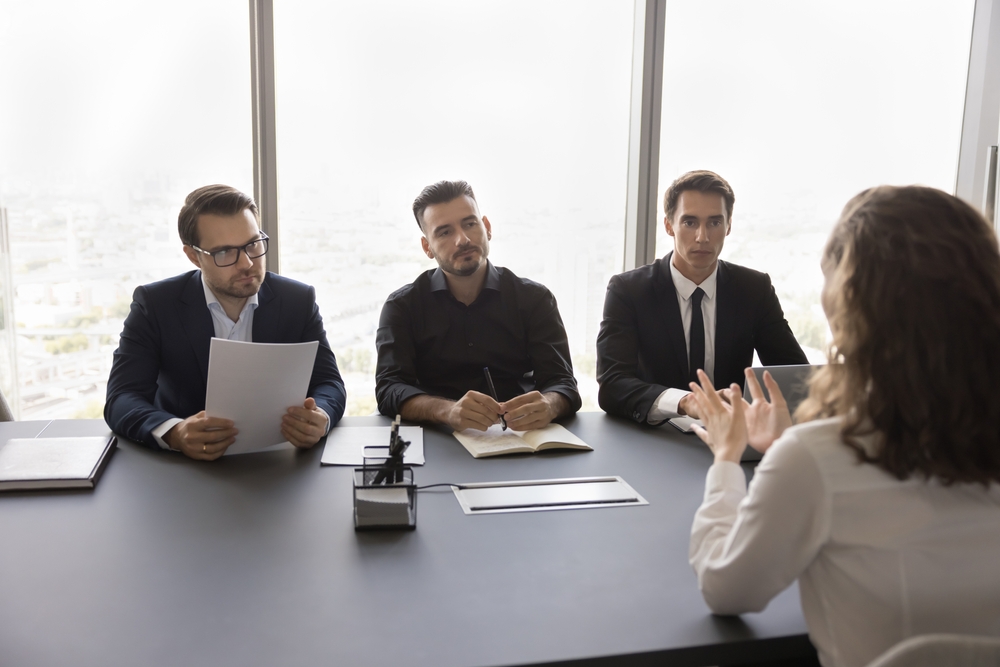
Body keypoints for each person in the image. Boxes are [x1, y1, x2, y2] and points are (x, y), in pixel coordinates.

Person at [687, 186, 1000, 667]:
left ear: (849, 305)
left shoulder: (817, 459)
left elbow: (725, 586)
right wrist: (788, 447)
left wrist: (729, 457)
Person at [105, 184, 346, 460]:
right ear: (194, 256)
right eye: (225, 253)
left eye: (253, 244)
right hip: (182, 468)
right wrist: (175, 432)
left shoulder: (297, 300)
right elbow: (122, 398)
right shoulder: (156, 304)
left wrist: (321, 417)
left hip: (278, 462)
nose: (246, 263)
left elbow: (329, 382)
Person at [596, 170, 806, 424]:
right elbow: (612, 385)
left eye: (715, 223)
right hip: (655, 438)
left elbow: (794, 375)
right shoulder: (628, 290)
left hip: (734, 435)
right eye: (690, 222)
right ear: (669, 225)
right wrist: (685, 402)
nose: (702, 237)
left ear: (729, 226)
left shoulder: (754, 289)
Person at [375, 180, 581, 431]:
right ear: (427, 247)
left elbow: (562, 383)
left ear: (487, 228)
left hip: (521, 437)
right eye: (444, 232)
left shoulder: (534, 299)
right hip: (439, 440)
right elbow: (389, 389)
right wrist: (447, 410)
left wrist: (550, 405)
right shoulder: (402, 306)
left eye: (470, 224)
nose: (462, 239)